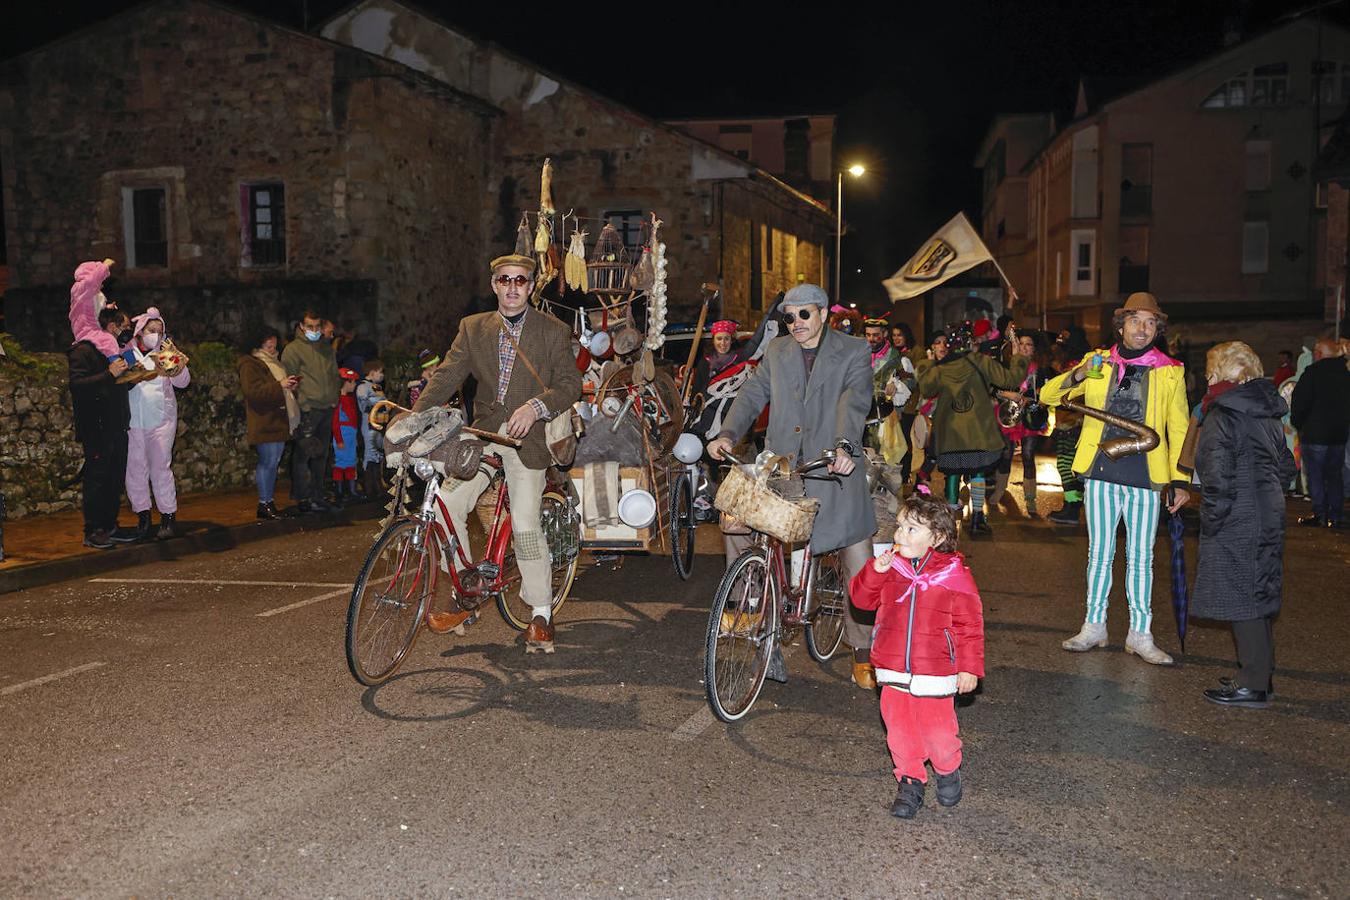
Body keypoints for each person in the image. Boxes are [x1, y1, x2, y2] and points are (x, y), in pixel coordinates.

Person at [708, 283, 879, 689]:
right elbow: (752, 394)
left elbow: (854, 401)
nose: (796, 323)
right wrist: (729, 432)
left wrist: (844, 447)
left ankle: (863, 648)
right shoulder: (778, 351)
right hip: (785, 468)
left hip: (833, 466)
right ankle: (760, 623)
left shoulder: (853, 351)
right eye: (789, 316)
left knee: (857, 556)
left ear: (823, 314)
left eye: (804, 314)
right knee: (738, 525)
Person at [411, 253, 582, 653]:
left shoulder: (553, 331)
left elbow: (570, 384)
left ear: (531, 285)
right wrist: (416, 418)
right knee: (444, 502)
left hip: (530, 440)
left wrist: (536, 407)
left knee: (523, 522)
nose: (512, 288)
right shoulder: (473, 328)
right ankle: (468, 591)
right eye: (504, 280)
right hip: (485, 433)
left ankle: (541, 613)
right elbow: (448, 375)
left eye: (520, 281)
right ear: (494, 285)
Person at [1040, 292, 1190, 665]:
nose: (1143, 328)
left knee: (1142, 557)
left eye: (1151, 322)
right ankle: (1095, 626)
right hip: (1101, 472)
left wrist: (1182, 480)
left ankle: (1141, 634)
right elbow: (1047, 396)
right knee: (1099, 554)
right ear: (1121, 325)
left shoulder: (1170, 370)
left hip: (1146, 475)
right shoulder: (1099, 363)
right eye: (1136, 320)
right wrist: (1077, 373)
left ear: (1158, 329)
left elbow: (1181, 428)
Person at [849, 494, 984, 819]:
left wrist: (969, 667)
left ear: (936, 539)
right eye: (899, 526)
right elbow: (862, 601)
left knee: (938, 732)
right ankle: (910, 782)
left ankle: (948, 767)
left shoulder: (953, 575)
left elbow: (970, 624)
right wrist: (874, 573)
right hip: (893, 669)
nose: (899, 535)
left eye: (911, 529)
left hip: (935, 672)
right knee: (899, 730)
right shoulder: (889, 568)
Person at [1191, 342, 1295, 709]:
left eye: (1210, 371)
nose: (1208, 378)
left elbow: (1216, 476)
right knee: (1259, 590)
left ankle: (1252, 684)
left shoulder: (1224, 413)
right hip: (1268, 509)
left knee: (1242, 598)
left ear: (1221, 375)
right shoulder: (1265, 413)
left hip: (1238, 512)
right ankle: (1260, 674)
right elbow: (1286, 467)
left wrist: (1213, 519)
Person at [914, 321, 1030, 536]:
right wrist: (1018, 358)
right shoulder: (981, 361)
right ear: (971, 343)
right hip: (978, 430)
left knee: (952, 473)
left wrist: (928, 364)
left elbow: (927, 389)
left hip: (950, 432)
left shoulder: (942, 367)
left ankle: (947, 524)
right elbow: (1011, 379)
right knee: (977, 470)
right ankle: (977, 517)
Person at [68, 307, 139, 548]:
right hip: (96, 427)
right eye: (125, 327)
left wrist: (132, 378)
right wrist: (109, 374)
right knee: (96, 479)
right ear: (112, 327)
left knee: (114, 478)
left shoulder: (116, 351)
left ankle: (110, 525)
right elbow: (78, 385)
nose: (127, 332)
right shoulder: (83, 350)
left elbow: (116, 387)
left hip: (118, 425)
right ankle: (93, 530)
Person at [124, 308, 191, 540]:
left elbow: (183, 382)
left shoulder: (164, 351)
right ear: (140, 331)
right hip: (133, 421)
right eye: (152, 331)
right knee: (135, 468)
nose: (156, 335)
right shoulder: (126, 352)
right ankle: (143, 516)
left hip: (162, 420)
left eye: (160, 331)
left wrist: (177, 364)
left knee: (160, 468)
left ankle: (168, 516)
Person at [988, 330, 1054, 517]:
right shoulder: (1009, 366)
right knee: (1006, 453)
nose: (1025, 347)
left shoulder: (1041, 369)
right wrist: (1007, 394)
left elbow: (1049, 390)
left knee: (1028, 454)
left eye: (1029, 344)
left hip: (1031, 417)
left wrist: (1035, 396)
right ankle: (1000, 489)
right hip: (1009, 415)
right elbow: (994, 388)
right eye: (1022, 344)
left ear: (1034, 349)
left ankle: (1030, 498)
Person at [237, 326, 299, 520]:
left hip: (276, 421)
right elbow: (254, 393)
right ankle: (265, 503)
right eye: (268, 344)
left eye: (274, 343)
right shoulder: (250, 364)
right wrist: (279, 385)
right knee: (268, 463)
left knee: (273, 463)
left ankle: (268, 502)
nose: (272, 347)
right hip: (265, 421)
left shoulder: (275, 363)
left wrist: (289, 387)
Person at [282, 309, 340, 514]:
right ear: (302, 326)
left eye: (317, 327)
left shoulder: (326, 348)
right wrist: (302, 404)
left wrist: (334, 399)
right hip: (308, 409)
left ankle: (318, 495)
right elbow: (290, 380)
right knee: (303, 455)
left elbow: (333, 374)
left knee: (321, 455)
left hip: (326, 408)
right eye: (310, 327)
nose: (314, 331)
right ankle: (303, 498)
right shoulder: (293, 350)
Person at [1290, 338, 1350, 528]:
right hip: (1338, 434)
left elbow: (1300, 403)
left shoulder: (1312, 373)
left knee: (1315, 476)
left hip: (1314, 434)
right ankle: (1336, 514)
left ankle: (1320, 514)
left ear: (1319, 354)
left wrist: (1298, 424)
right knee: (1334, 475)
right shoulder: (1345, 374)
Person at [332, 368, 364, 504]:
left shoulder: (350, 399)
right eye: (352, 382)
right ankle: (339, 492)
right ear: (345, 383)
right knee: (340, 464)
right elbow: (335, 422)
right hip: (342, 436)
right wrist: (339, 439)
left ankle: (351, 491)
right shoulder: (338, 400)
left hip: (351, 435)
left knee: (351, 462)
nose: (354, 385)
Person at [356, 359, 387, 500]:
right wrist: (379, 403)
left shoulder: (377, 387)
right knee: (370, 454)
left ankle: (378, 486)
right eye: (380, 372)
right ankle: (369, 488)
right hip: (369, 424)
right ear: (372, 372)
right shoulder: (363, 387)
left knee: (378, 455)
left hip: (380, 424)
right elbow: (364, 405)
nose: (382, 375)